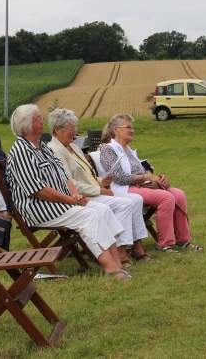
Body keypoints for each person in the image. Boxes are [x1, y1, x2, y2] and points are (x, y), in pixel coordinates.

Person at [6, 104, 130, 280]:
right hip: (39, 208)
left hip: (59, 202)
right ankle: (111, 268)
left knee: (103, 210)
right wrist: (69, 200)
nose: (42, 119)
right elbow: (38, 191)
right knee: (89, 216)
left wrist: (74, 195)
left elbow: (64, 176)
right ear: (26, 125)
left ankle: (118, 264)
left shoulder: (43, 147)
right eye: (37, 118)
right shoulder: (21, 151)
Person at [47, 108, 150, 265]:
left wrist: (102, 181)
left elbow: (87, 175)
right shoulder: (54, 151)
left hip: (93, 192)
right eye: (70, 129)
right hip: (78, 197)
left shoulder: (73, 147)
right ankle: (121, 252)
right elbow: (68, 183)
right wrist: (99, 189)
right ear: (56, 130)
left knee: (134, 200)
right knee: (125, 204)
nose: (74, 132)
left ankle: (134, 246)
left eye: (75, 128)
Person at [100, 113, 202, 252]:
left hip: (141, 185)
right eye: (128, 127)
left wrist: (158, 178)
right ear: (116, 129)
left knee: (179, 195)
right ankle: (166, 244)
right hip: (124, 189)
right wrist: (145, 178)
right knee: (166, 197)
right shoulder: (108, 149)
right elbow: (119, 178)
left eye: (133, 127)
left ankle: (183, 240)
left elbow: (143, 172)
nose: (132, 130)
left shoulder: (129, 150)